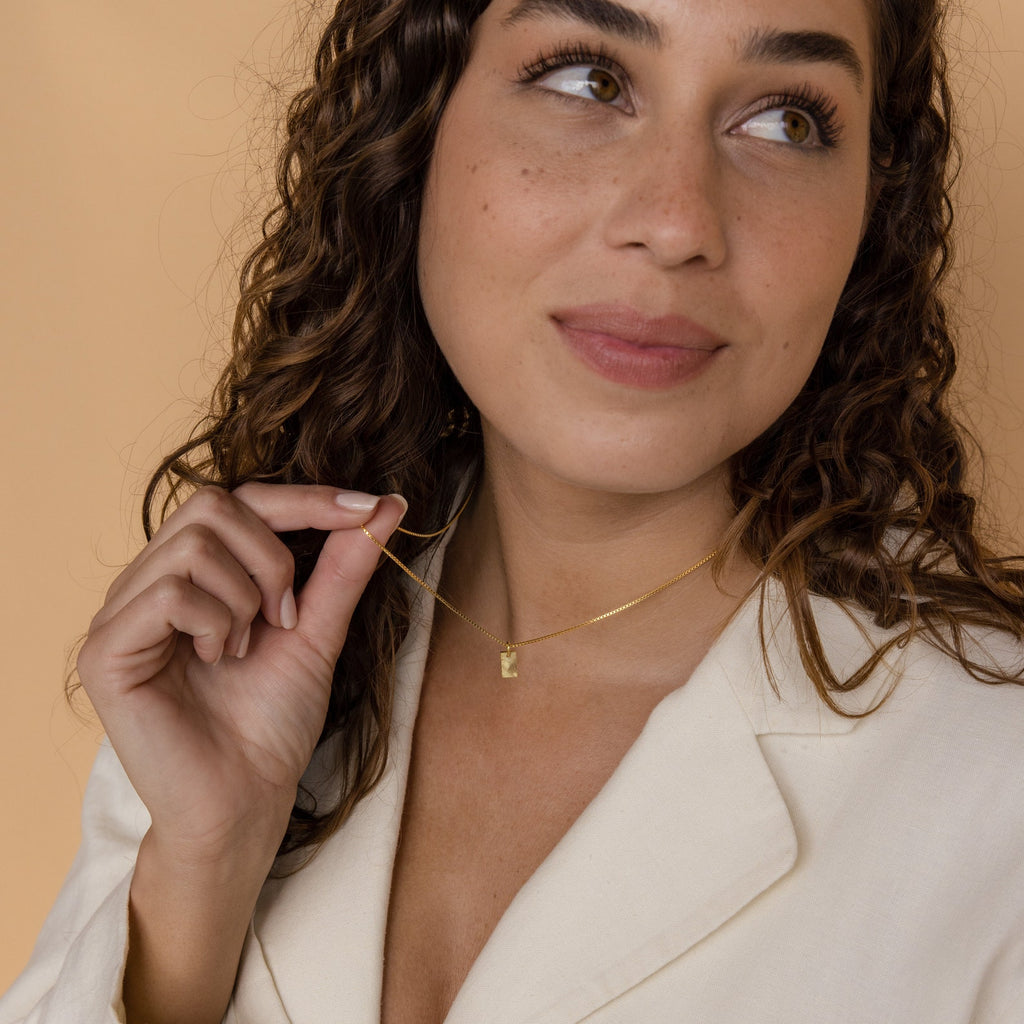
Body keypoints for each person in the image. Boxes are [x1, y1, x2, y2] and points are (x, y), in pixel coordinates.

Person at [3, 0, 1023, 1021]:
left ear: (871, 207)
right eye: (589, 80)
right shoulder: (244, 650)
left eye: (788, 119)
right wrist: (200, 873)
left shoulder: (993, 799)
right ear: (417, 123)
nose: (675, 222)